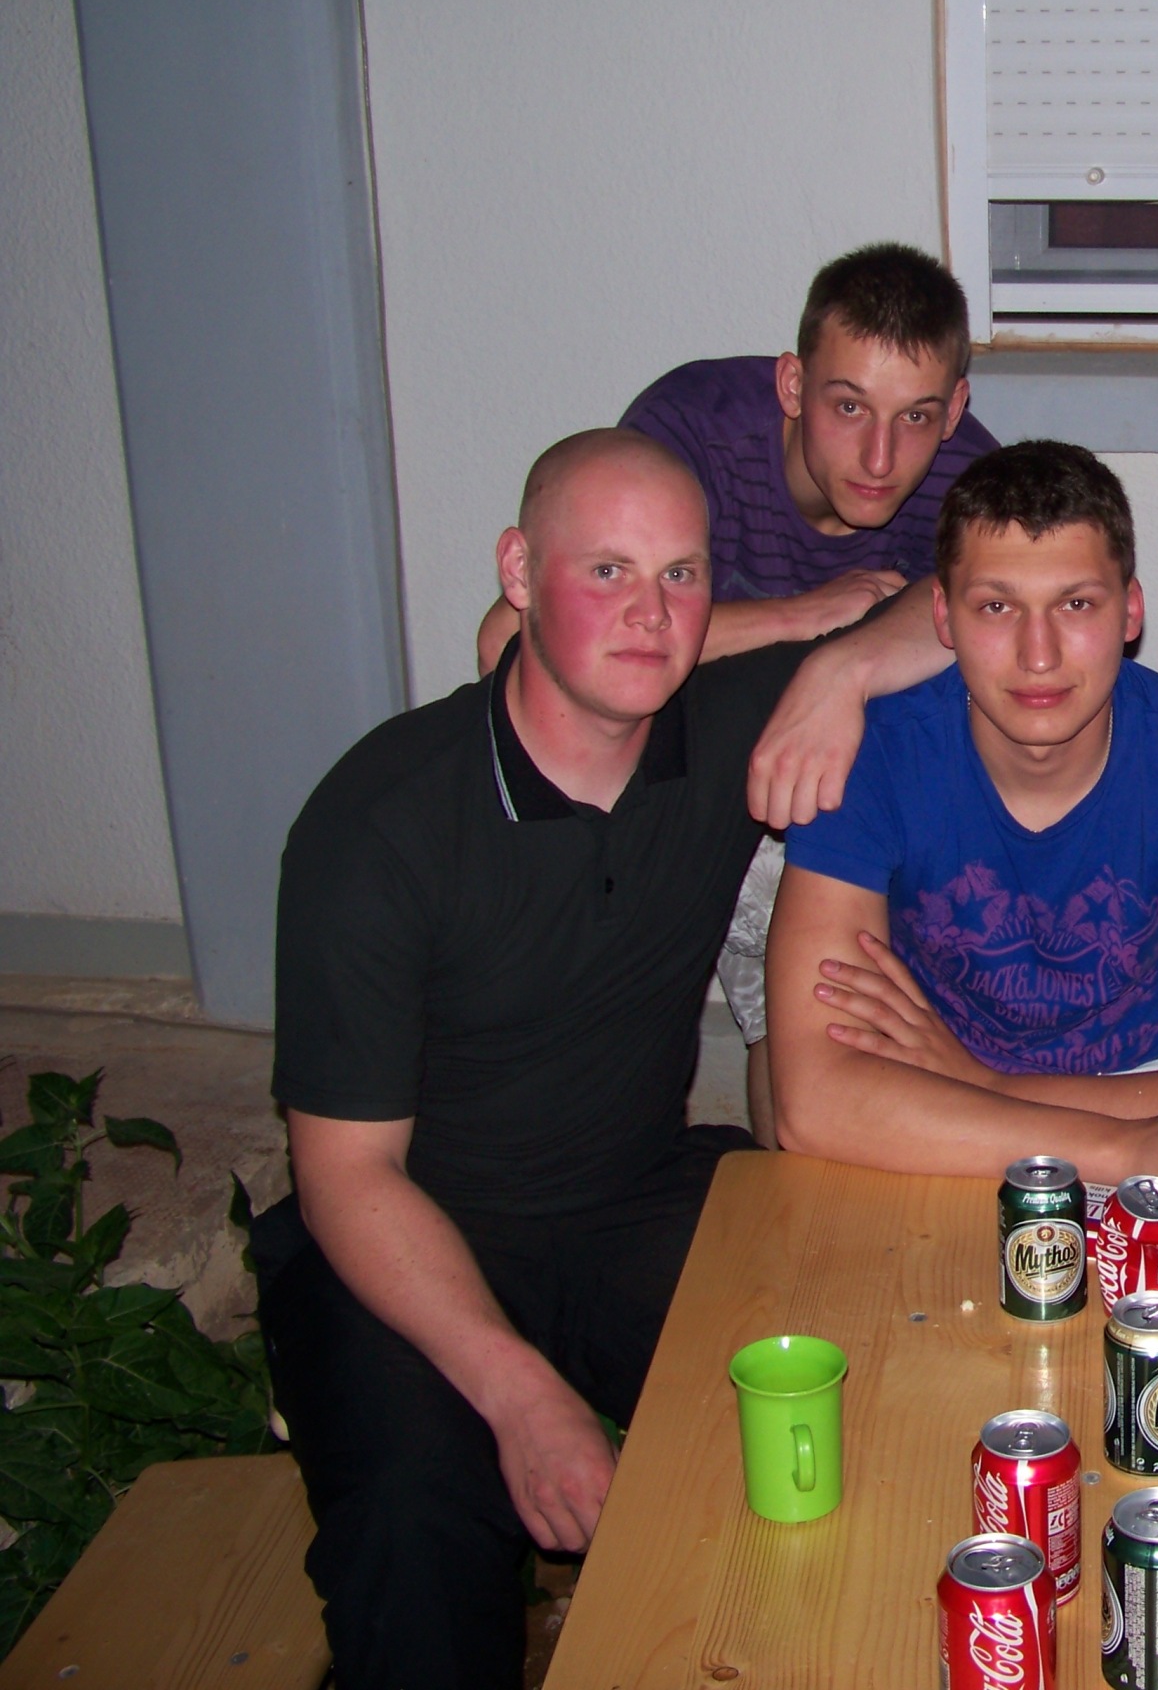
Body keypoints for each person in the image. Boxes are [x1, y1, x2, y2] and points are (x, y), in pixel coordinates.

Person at [260, 429, 890, 1688]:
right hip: (408, 1236)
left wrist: (836, 663)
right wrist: (520, 1393)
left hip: (630, 1200)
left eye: (680, 575)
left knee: (842, 1393)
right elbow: (345, 1177)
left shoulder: (723, 730)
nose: (651, 615)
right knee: (416, 1537)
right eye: (607, 571)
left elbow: (953, 598)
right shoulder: (379, 822)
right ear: (518, 573)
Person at [477, 245, 1001, 1111]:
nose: (879, 456)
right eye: (847, 406)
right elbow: (511, 639)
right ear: (792, 385)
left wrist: (838, 669)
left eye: (915, 417)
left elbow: (1002, 613)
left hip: (818, 773)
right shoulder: (695, 432)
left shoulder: (970, 476)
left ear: (954, 410)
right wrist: (803, 617)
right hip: (663, 760)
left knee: (833, 999)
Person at [762, 440, 1158, 1182]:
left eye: (1076, 605)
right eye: (996, 607)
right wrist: (1121, 1147)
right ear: (943, 617)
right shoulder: (867, 755)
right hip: (948, 1110)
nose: (1038, 654)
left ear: (1130, 610)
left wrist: (992, 1089)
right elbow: (811, 1101)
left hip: (1115, 1083)